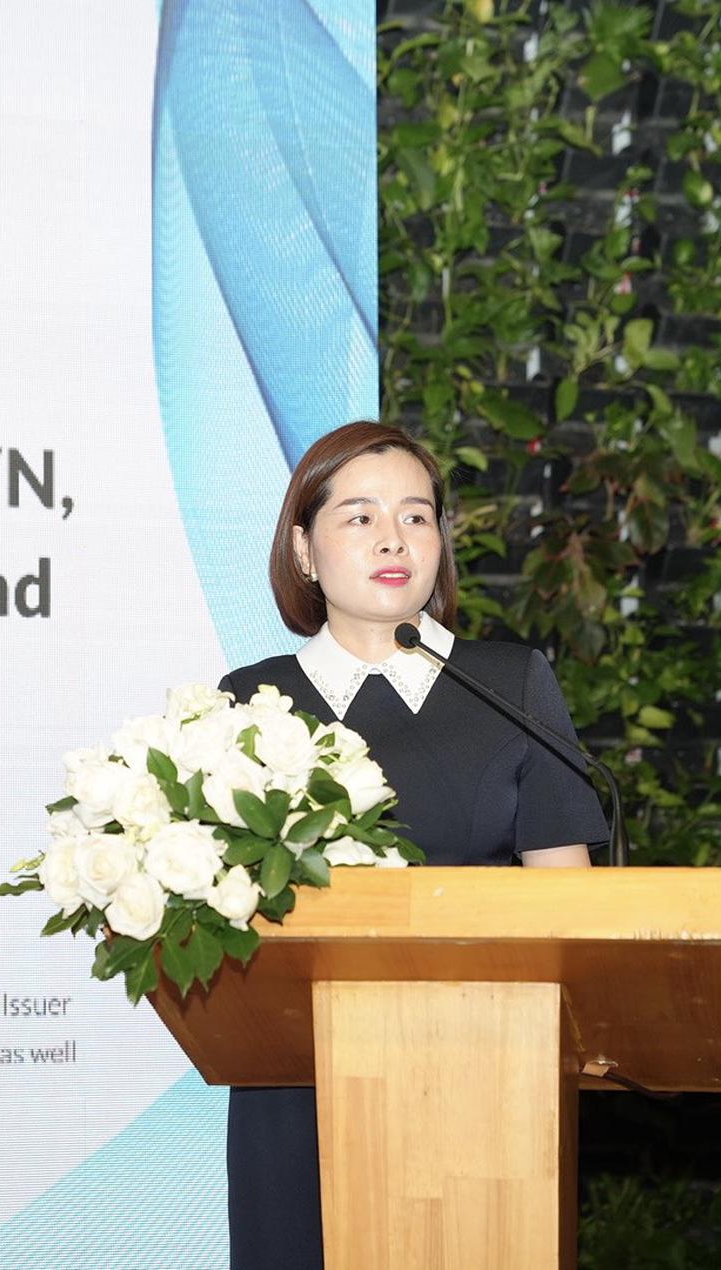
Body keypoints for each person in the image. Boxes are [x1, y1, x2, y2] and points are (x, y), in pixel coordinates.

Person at [218, 420, 607, 1270]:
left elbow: (570, 913)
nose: (393, 537)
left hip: (483, 1075)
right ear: (305, 550)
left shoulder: (509, 684)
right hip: (299, 1089)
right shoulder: (250, 701)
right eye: (359, 516)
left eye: (416, 516)